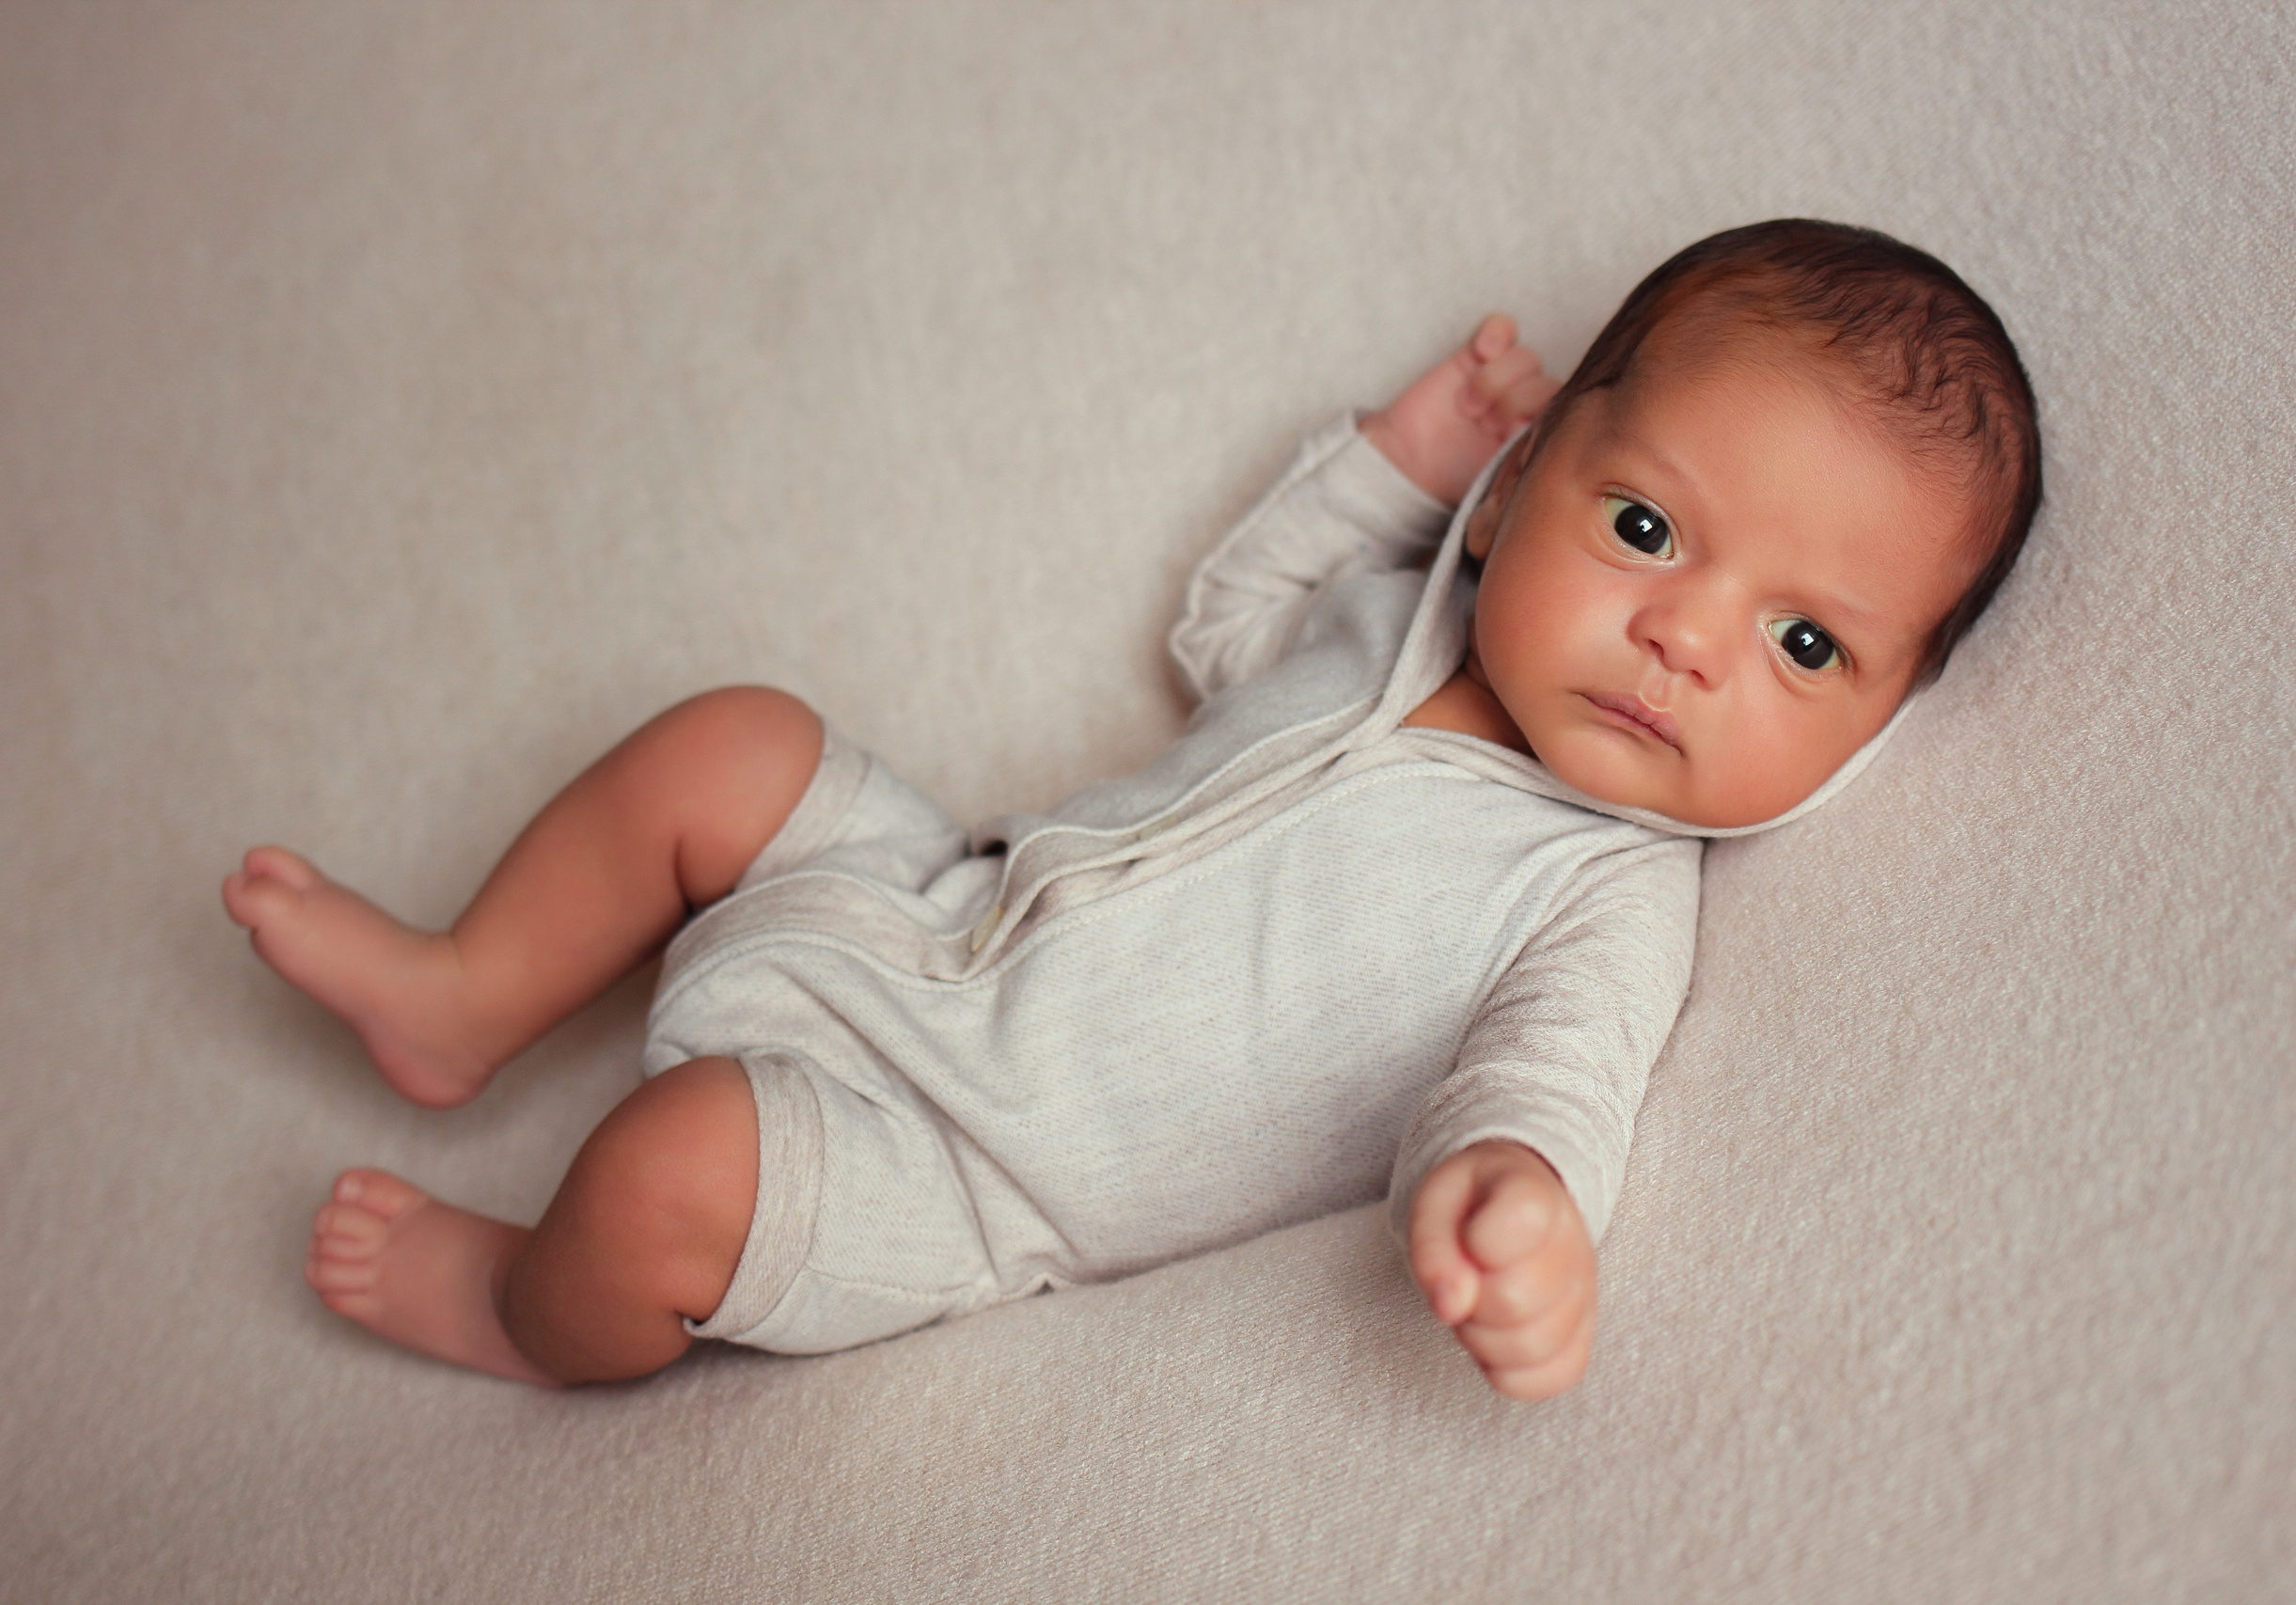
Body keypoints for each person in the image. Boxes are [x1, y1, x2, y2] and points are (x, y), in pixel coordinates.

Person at [225, 219, 2041, 1401]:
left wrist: (1523, 1202)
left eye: (1806, 643)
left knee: (669, 1167)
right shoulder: (1402, 607)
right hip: (931, 894)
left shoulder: (1603, 893)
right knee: (732, 738)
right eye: (1645, 530)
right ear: (1514, 489)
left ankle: (524, 1309)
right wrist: (1385, 469)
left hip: (975, 1170)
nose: (1686, 642)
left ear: (1878, 727)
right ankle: (467, 994)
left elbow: (1546, 1071)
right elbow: (1226, 625)